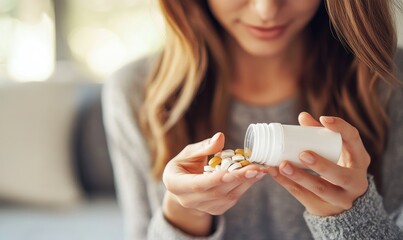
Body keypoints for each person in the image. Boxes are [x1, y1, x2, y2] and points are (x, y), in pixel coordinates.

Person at [102, 0, 403, 239]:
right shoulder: (136, 91)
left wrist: (353, 219)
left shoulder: (391, 82)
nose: (266, 10)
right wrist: (184, 215)